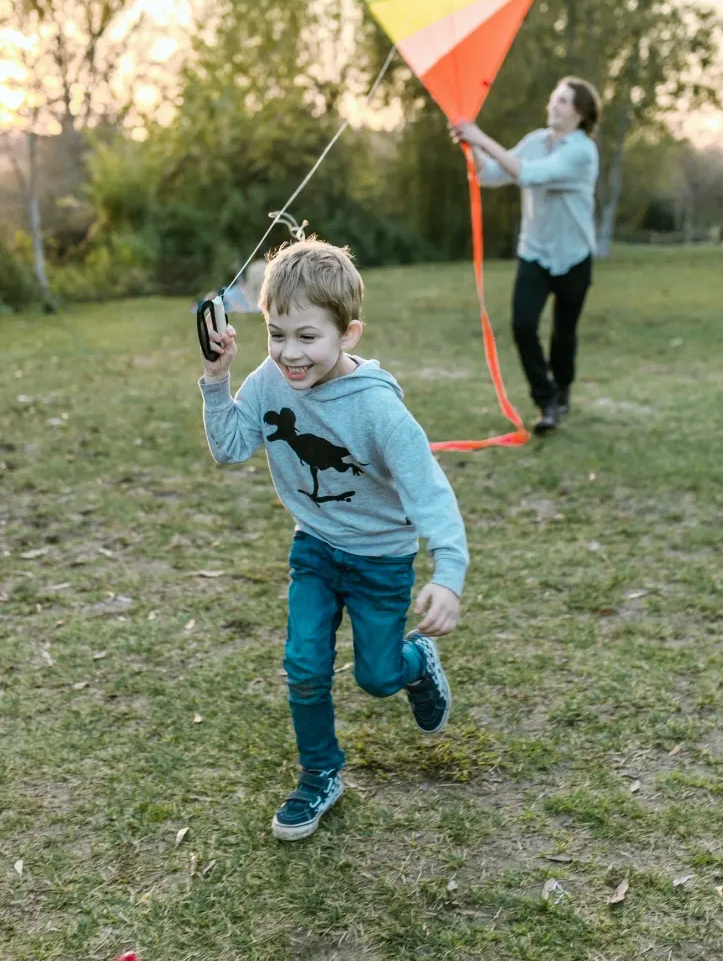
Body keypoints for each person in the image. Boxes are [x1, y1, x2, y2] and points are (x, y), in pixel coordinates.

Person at [198, 238, 468, 841]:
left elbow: (431, 494)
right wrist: (218, 380)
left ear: (348, 334)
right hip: (316, 549)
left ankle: (414, 663)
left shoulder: (380, 413)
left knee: (376, 677)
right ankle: (320, 772)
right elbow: (231, 447)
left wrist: (447, 574)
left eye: (306, 337)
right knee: (304, 664)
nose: (289, 354)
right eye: (276, 334)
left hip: (381, 561)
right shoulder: (272, 380)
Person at [452, 77, 601, 436]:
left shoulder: (581, 152)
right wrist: (469, 146)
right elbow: (489, 175)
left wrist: (479, 136)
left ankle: (561, 389)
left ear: (580, 113)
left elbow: (530, 175)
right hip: (534, 252)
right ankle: (546, 401)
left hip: (575, 257)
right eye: (554, 98)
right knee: (522, 325)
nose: (554, 105)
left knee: (564, 334)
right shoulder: (536, 141)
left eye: (563, 101)